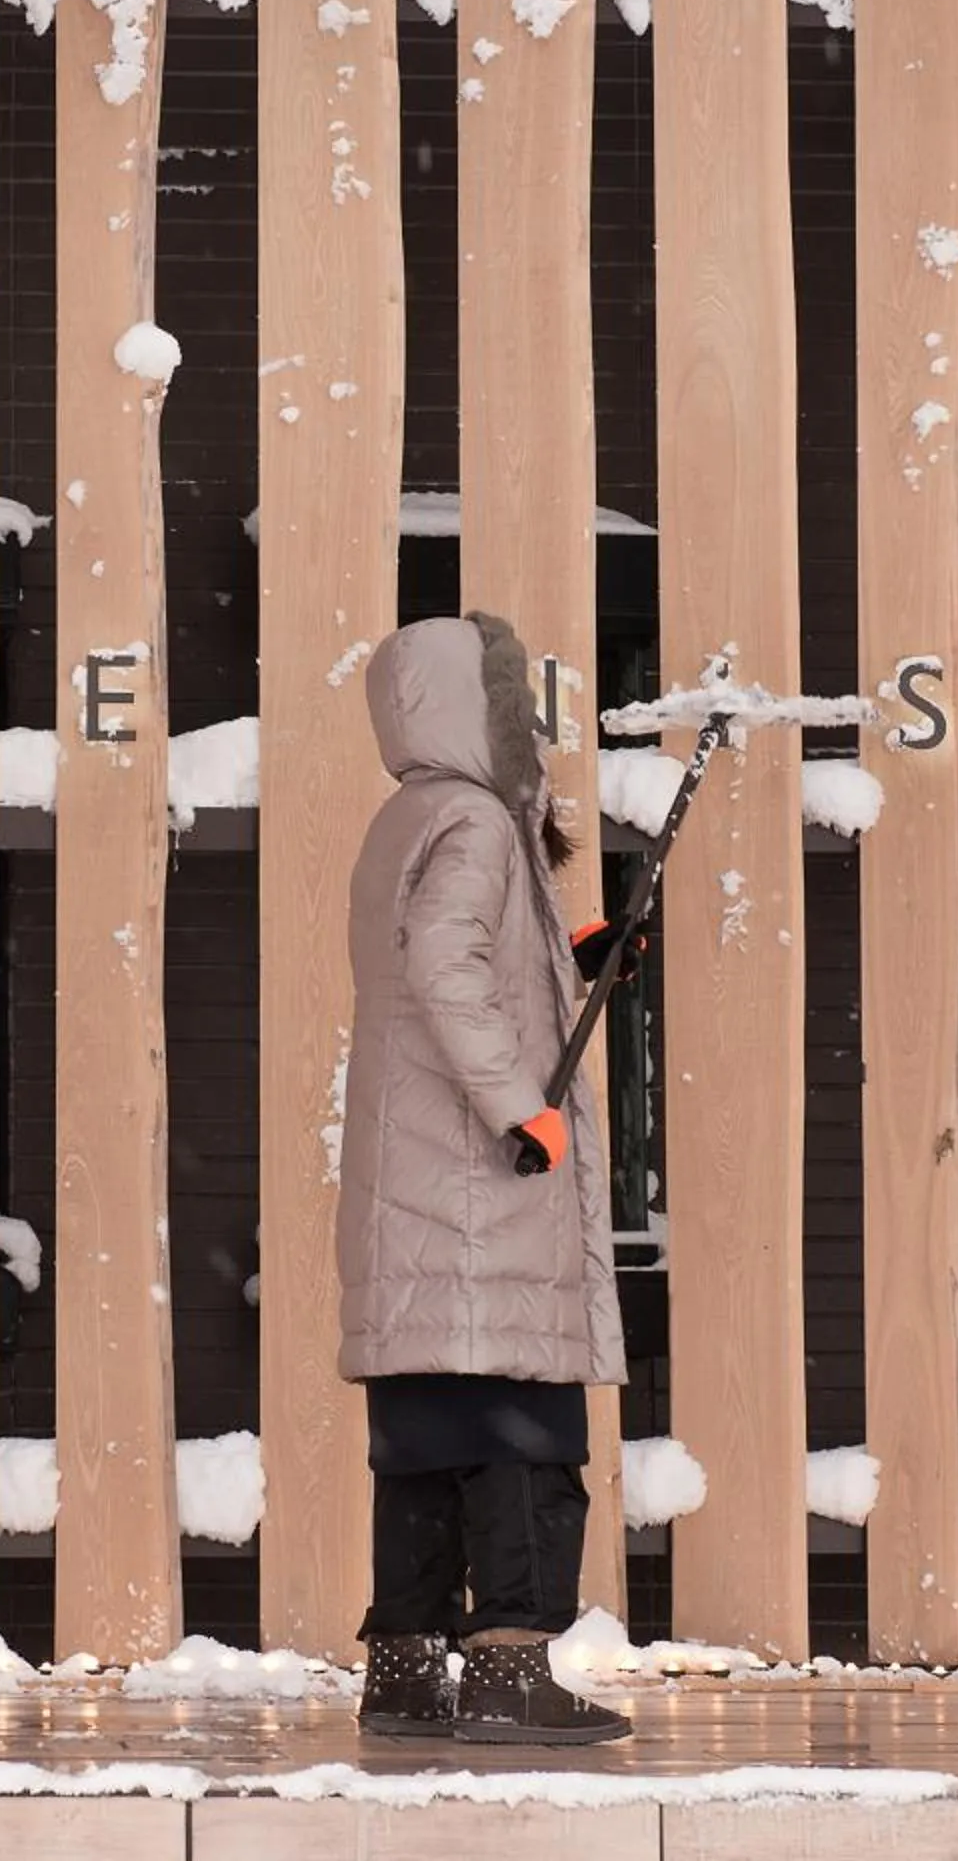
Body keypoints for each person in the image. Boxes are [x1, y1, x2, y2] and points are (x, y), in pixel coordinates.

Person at [339, 611, 640, 1747]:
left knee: (425, 1441)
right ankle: (512, 1669)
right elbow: (446, 971)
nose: (529, 730)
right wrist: (524, 1106)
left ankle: (408, 1671)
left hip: (412, 1196)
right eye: (514, 707)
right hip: (480, 1196)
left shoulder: (406, 818)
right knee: (521, 1436)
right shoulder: (474, 818)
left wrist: (575, 956)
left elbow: (455, 967)